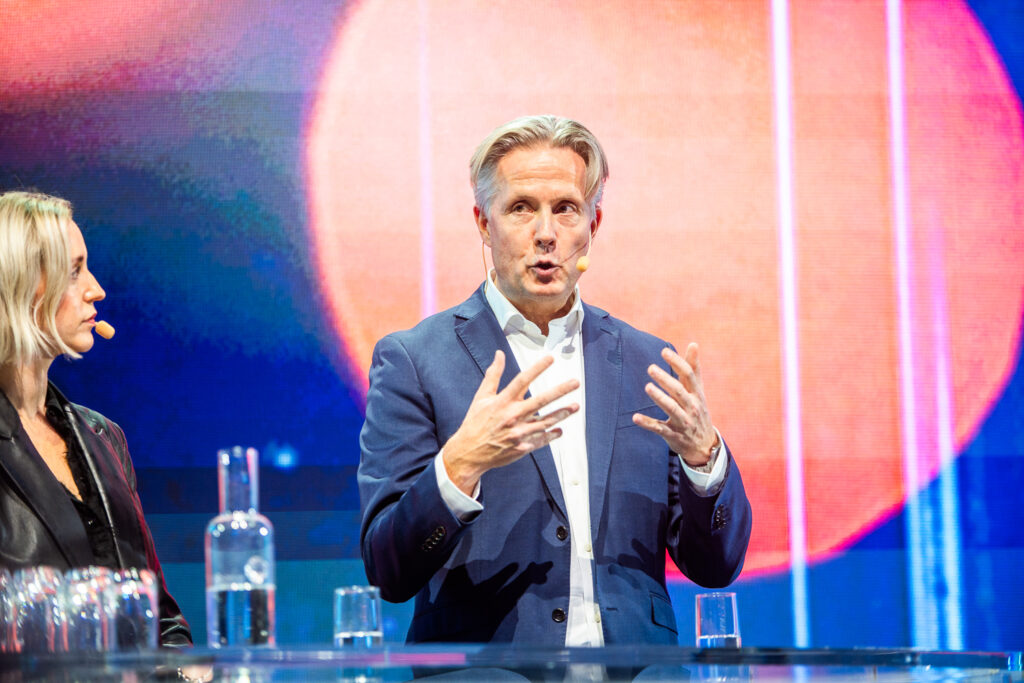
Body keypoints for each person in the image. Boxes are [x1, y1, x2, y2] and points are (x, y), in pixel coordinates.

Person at [358, 115, 752, 646]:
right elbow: (388, 569)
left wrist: (705, 460)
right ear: (482, 222)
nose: (546, 233)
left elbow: (715, 567)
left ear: (594, 223)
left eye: (565, 208)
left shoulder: (649, 364)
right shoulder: (414, 359)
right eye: (521, 208)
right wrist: (459, 467)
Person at [0, 190, 192, 647]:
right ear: (22, 287)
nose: (96, 289)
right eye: (74, 271)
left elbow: (162, 619)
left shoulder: (103, 437)